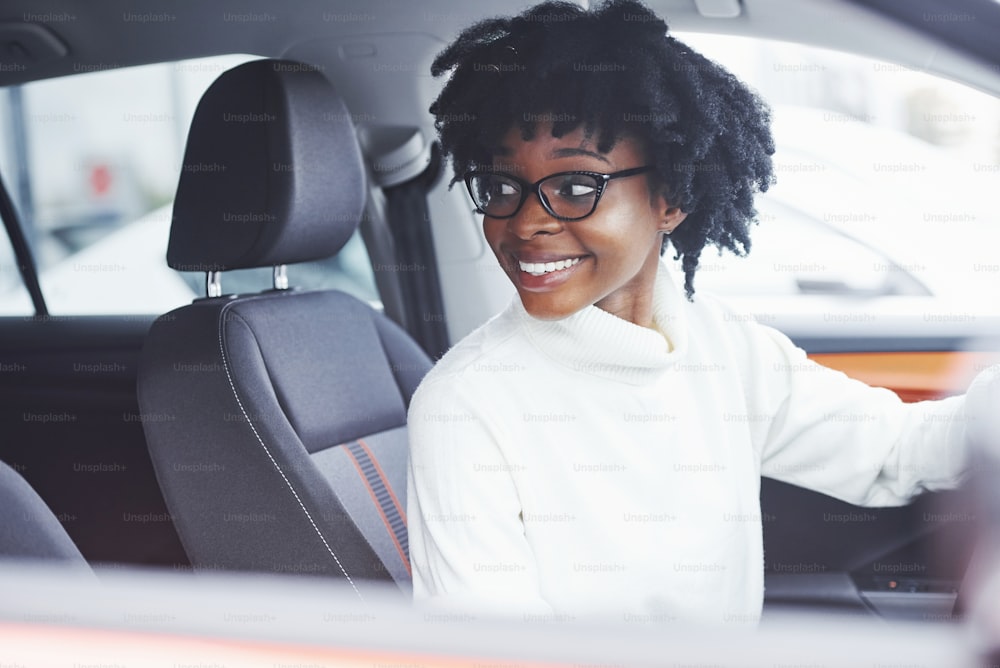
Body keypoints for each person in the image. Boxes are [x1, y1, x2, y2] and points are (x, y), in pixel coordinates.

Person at [405, 0, 996, 624]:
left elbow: (896, 450)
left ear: (672, 199)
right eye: (500, 188)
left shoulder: (723, 346)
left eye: (576, 187)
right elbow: (496, 656)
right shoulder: (466, 405)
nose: (525, 222)